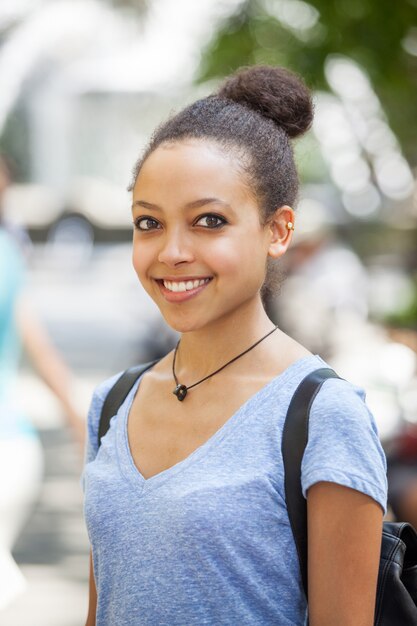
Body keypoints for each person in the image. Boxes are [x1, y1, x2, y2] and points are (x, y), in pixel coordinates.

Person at [82, 66, 387, 626]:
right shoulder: (111, 404)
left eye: (209, 220)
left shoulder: (322, 416)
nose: (171, 251)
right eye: (148, 222)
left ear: (278, 231)